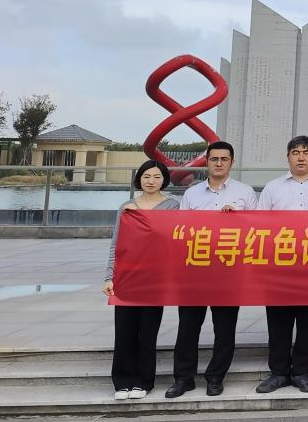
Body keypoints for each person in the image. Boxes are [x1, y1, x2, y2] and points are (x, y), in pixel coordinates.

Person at [167, 142, 258, 398]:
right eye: (214, 159)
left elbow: (258, 229)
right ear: (206, 162)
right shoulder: (192, 194)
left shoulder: (245, 192)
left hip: (229, 270)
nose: (219, 163)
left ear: (232, 162)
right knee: (188, 326)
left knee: (225, 328)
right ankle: (183, 378)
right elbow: (181, 230)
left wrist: (238, 218)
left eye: (224, 159)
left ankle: (216, 376)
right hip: (196, 270)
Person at [255, 136, 308, 395]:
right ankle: (278, 372)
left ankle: (302, 372)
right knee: (278, 322)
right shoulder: (272, 188)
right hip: (279, 267)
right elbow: (260, 226)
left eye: (306, 152)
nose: (301, 157)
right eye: (295, 152)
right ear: (288, 157)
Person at [103, 160, 180, 400]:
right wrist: (109, 276)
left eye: (157, 177)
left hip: (155, 278)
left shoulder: (173, 206)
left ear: (164, 180)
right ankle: (122, 381)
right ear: (139, 179)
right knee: (124, 331)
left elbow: (173, 239)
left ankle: (143, 381)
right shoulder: (126, 207)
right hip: (127, 277)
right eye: (146, 176)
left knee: (148, 332)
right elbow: (116, 243)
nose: (151, 181)